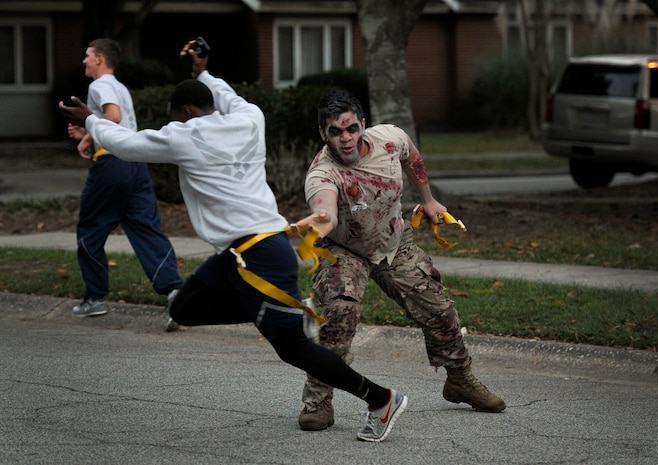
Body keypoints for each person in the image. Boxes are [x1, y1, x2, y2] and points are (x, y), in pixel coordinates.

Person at [59, 40, 407, 443]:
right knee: (184, 308)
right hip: (241, 253)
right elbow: (228, 96)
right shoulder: (249, 118)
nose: (177, 125)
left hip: (258, 255)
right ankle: (286, 311)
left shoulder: (182, 136)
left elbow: (123, 144)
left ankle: (380, 399)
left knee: (292, 349)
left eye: (178, 118)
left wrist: (92, 120)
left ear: (186, 113)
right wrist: (203, 72)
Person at [293, 89, 506, 432]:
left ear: (363, 124)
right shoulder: (322, 174)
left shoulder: (390, 139)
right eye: (335, 131)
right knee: (339, 314)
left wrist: (429, 199)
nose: (345, 139)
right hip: (343, 249)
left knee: (439, 308)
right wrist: (320, 223)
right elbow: (325, 209)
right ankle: (317, 400)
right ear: (323, 133)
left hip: (393, 241)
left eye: (351, 129)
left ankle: (460, 381)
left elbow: (412, 157)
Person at [66, 38, 182, 323]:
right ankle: (175, 293)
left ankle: (94, 298)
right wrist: (88, 136)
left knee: (90, 230)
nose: (84, 60)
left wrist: (90, 134)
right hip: (136, 164)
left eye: (87, 55)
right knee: (146, 229)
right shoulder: (120, 87)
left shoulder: (99, 85)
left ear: (100, 59)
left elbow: (112, 117)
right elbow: (119, 122)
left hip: (112, 165)